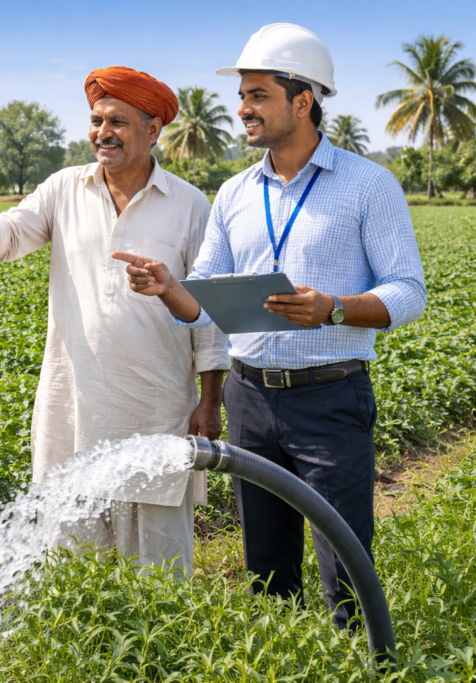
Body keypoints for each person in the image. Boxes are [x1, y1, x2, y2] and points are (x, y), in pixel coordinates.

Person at [115, 23, 426, 627]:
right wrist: (168, 287)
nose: (243, 109)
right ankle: (283, 657)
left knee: (346, 565)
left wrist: (333, 307)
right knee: (267, 567)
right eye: (243, 95)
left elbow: (408, 293)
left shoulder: (369, 186)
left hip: (330, 395)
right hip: (250, 396)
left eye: (258, 94)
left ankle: (360, 660)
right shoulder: (234, 192)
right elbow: (203, 300)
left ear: (302, 100)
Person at [0, 66, 230, 574]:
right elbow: (11, 237)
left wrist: (211, 400)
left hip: (155, 407)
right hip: (75, 405)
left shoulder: (190, 205)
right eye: (96, 121)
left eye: (118, 122)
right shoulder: (64, 188)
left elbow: (209, 312)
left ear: (153, 130)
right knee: (72, 558)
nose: (102, 134)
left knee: (157, 565)